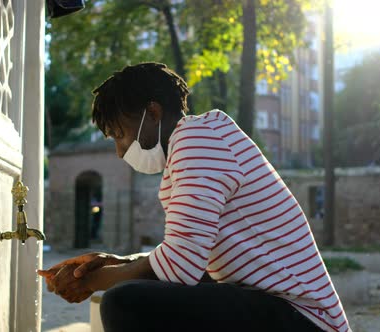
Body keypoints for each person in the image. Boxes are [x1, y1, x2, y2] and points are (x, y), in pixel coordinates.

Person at [38, 62, 351, 332]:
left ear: (153, 113)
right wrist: (115, 263)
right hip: (281, 312)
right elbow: (195, 266)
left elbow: (181, 265)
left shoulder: (198, 138)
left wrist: (89, 281)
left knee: (126, 303)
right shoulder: (193, 149)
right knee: (135, 292)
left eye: (120, 134)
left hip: (306, 320)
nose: (120, 152)